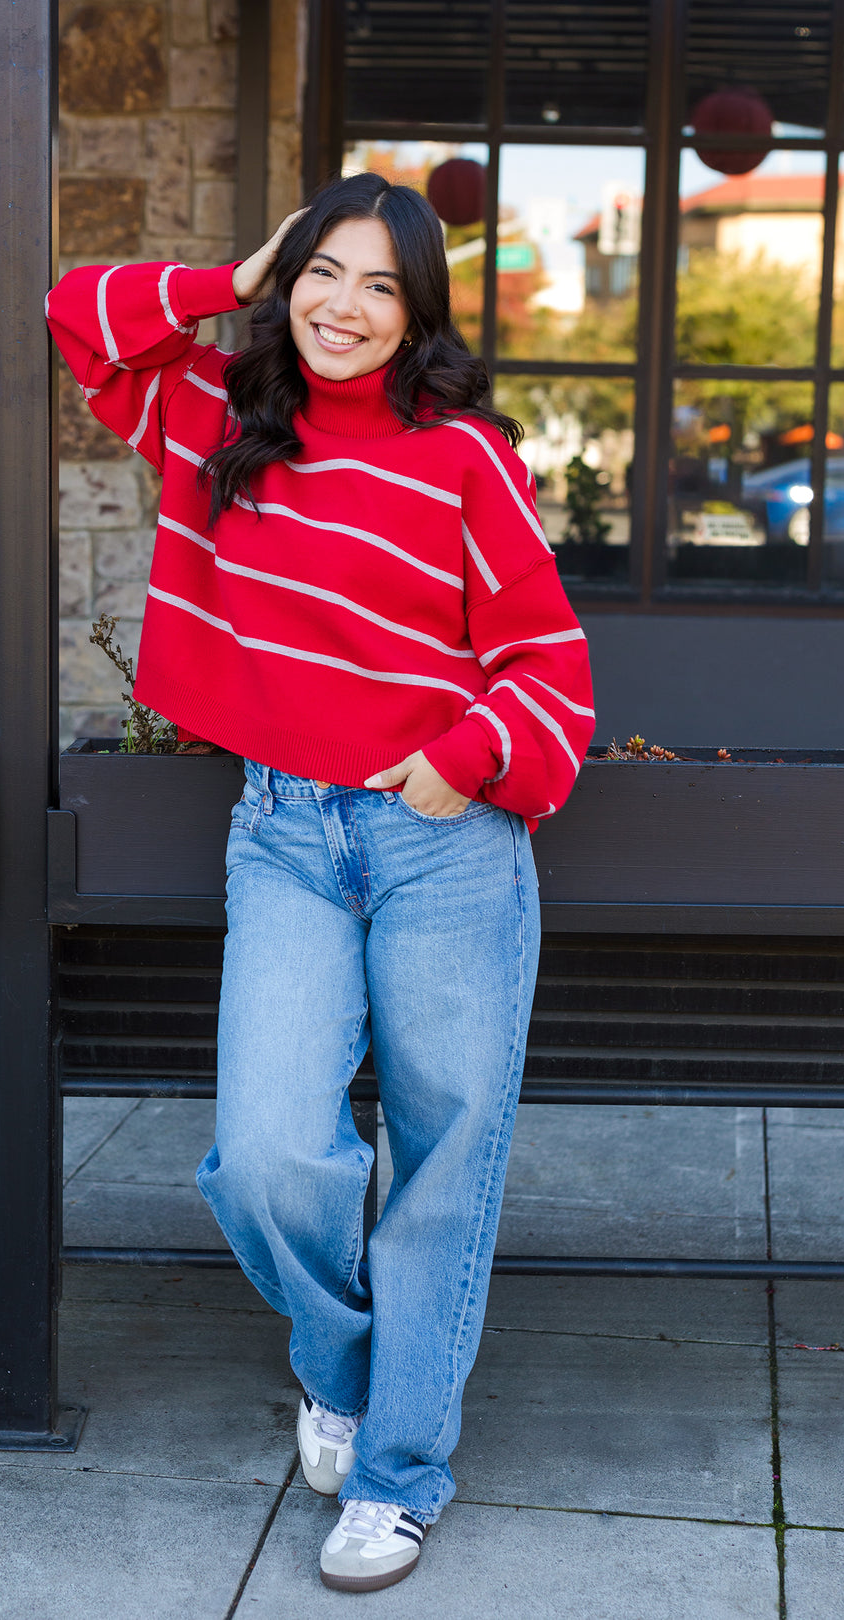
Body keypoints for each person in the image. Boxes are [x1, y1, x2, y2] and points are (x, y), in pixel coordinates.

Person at [47, 172, 593, 1593]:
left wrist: (463, 760)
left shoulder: (462, 455)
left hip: (443, 840)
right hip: (285, 833)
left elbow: (548, 661)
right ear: (286, 282)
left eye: (380, 287)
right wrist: (229, 277)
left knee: (440, 1168)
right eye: (321, 275)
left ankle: (401, 1474)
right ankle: (345, 1370)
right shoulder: (219, 418)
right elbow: (75, 318)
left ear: (418, 316)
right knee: (271, 1155)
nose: (345, 308)